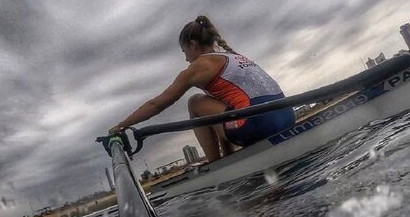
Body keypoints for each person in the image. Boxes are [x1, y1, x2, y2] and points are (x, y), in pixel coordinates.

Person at [109, 15, 295, 162]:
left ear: (193, 44)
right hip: (287, 115)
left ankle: (217, 165)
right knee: (221, 105)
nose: (186, 59)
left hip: (257, 126)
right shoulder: (234, 57)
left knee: (195, 102)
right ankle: (229, 158)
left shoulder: (200, 65)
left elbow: (157, 104)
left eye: (185, 52)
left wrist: (122, 125)